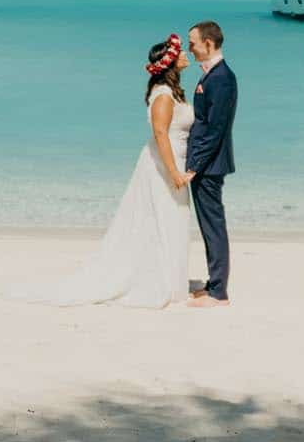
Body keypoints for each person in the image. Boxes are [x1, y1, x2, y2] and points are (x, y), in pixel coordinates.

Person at [12, 33, 196, 308]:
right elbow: (160, 133)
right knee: (162, 219)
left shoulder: (171, 92)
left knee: (171, 220)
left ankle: (171, 278)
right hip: (164, 166)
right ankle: (159, 281)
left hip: (174, 162)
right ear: (169, 63)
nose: (186, 55)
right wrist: (174, 173)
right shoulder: (164, 96)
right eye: (180, 52)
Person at [177, 20, 238, 308]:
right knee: (208, 225)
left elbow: (215, 128)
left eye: (193, 42)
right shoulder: (212, 75)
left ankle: (218, 292)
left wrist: (194, 165)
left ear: (209, 44)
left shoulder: (222, 78)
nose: (189, 47)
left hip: (210, 165)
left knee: (213, 225)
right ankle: (213, 284)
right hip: (206, 162)